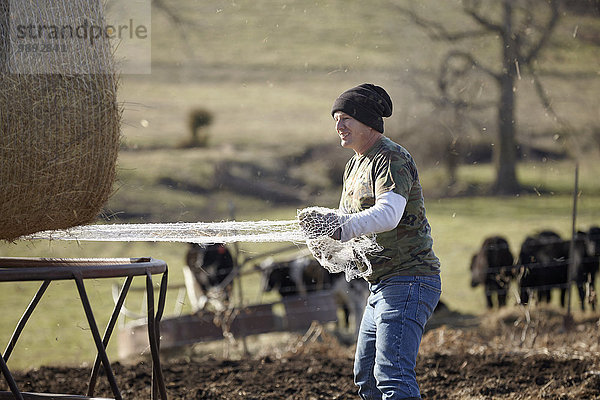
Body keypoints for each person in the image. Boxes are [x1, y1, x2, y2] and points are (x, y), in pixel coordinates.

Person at [299, 83, 441, 400]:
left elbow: (388, 215)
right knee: (367, 378)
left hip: (409, 279)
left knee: (392, 376)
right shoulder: (353, 165)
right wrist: (322, 241)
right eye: (336, 118)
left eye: (346, 117)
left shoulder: (391, 158)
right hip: (379, 285)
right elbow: (345, 220)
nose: (339, 126)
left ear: (368, 122)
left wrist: (339, 227)